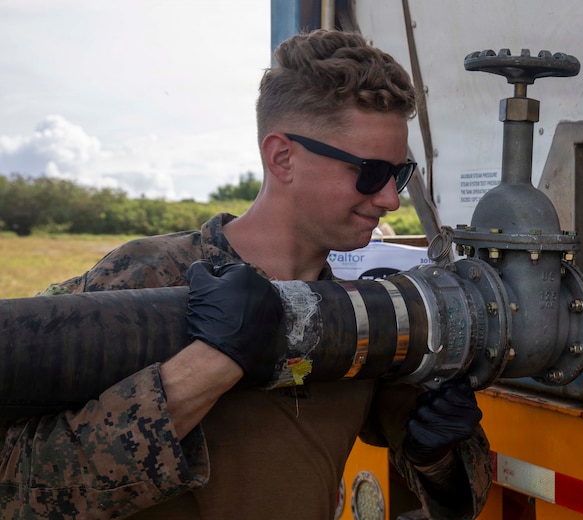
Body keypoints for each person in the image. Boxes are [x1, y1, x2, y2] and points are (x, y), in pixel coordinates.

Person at [0, 30, 491, 519]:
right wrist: (206, 368)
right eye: (369, 172)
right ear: (283, 157)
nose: (389, 199)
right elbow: (16, 485)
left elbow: (456, 494)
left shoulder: (364, 317)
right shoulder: (148, 275)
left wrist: (437, 456)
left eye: (399, 175)